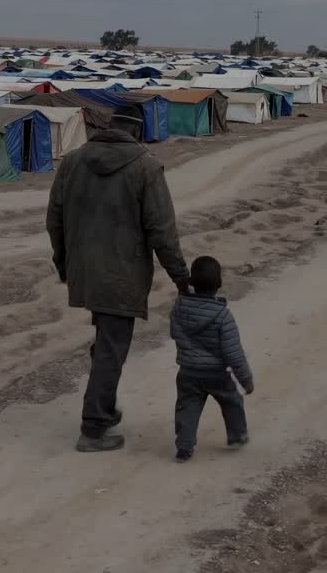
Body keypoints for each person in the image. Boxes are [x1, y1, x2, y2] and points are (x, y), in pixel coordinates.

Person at [47, 103, 189, 453]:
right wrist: (182, 279)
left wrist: (64, 264)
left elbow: (55, 219)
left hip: (84, 269)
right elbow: (162, 232)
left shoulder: (73, 162)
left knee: (106, 340)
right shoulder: (147, 167)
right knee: (112, 348)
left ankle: (104, 408)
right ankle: (93, 428)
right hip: (122, 273)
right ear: (138, 131)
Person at [170, 256, 252, 463]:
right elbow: (234, 353)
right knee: (232, 401)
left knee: (187, 408)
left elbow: (175, 333)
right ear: (219, 285)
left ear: (191, 283)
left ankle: (184, 447)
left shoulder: (179, 308)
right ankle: (237, 435)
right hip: (217, 373)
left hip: (188, 371)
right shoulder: (223, 316)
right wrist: (245, 380)